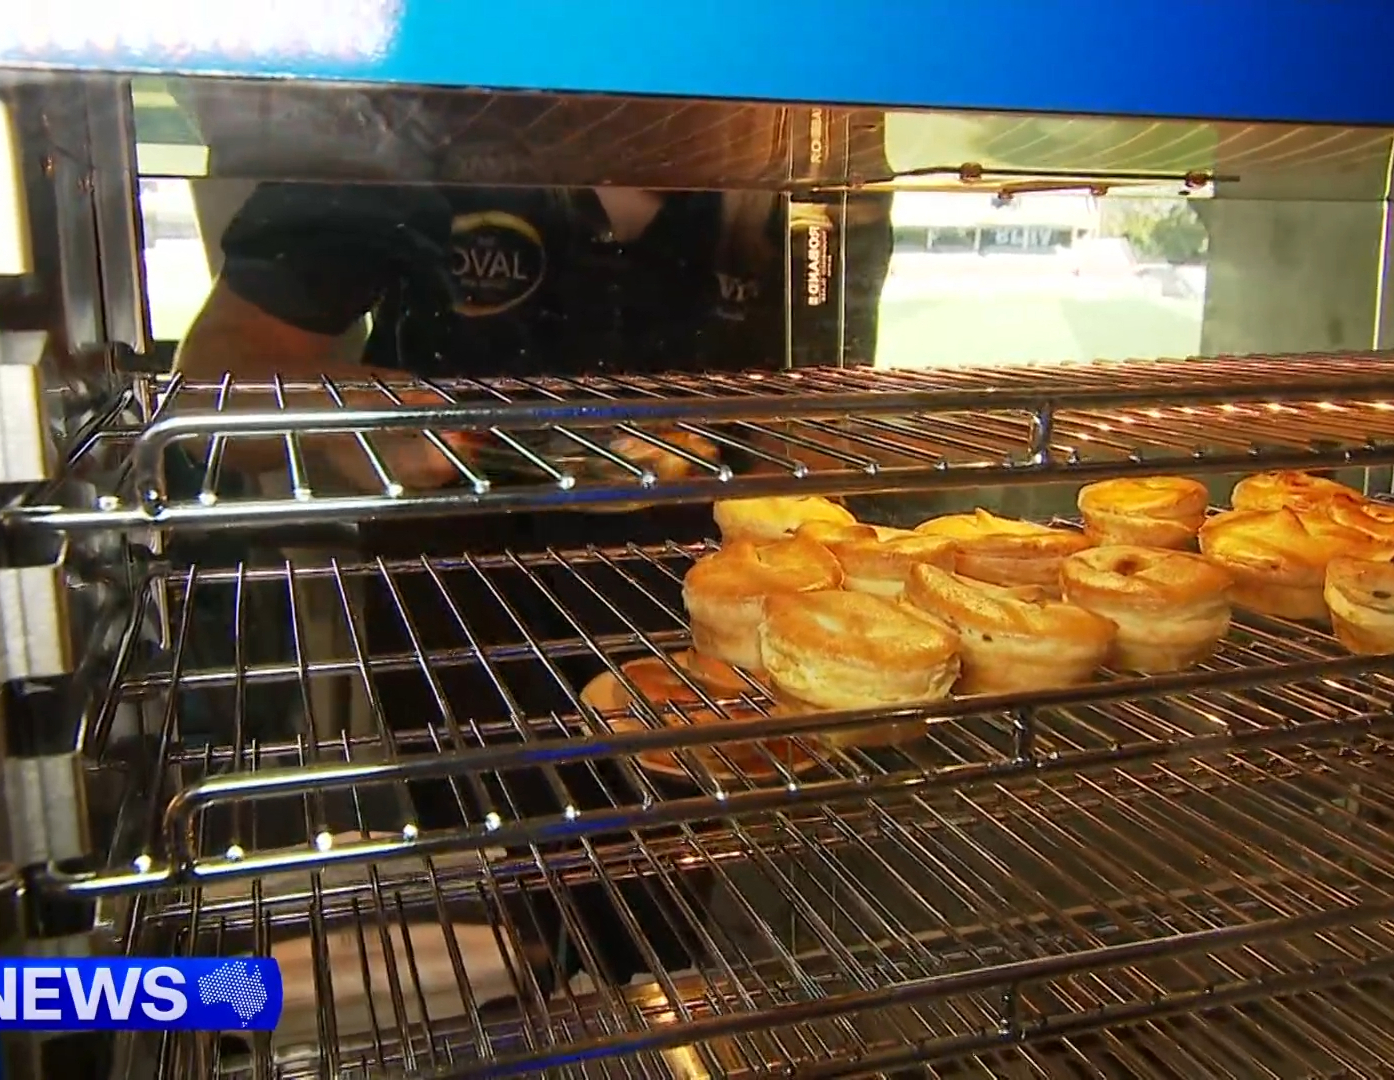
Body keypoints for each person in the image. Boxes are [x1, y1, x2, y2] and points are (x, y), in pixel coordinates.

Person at [166, 176, 890, 1002]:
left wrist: (758, 457)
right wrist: (352, 411)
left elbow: (829, 420)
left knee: (654, 904)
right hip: (464, 613)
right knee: (499, 901)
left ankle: (633, 1009)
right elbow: (211, 381)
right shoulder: (429, 128)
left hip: (702, 610)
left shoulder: (805, 151)